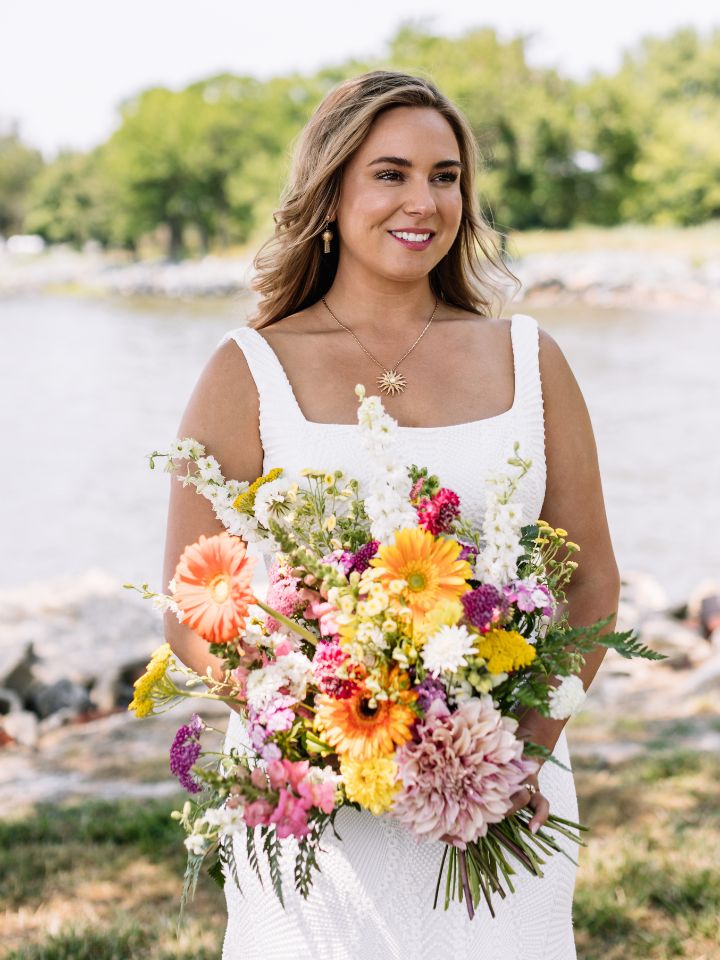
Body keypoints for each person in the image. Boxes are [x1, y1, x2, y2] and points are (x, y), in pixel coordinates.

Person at [162, 70, 620, 960]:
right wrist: (314, 728)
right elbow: (193, 605)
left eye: (446, 177)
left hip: (498, 801)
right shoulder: (246, 370)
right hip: (316, 820)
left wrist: (521, 750)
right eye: (391, 173)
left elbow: (593, 579)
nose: (424, 201)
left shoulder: (530, 359)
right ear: (330, 192)